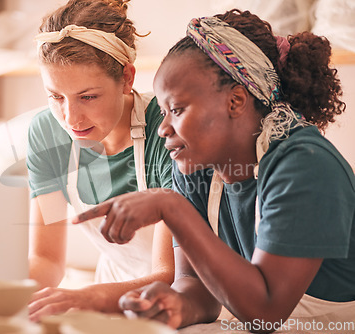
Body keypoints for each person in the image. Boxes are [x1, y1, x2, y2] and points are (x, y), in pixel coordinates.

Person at [74, 9, 355, 332]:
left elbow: (266, 312)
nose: (163, 128)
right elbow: (196, 287)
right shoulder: (196, 167)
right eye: (163, 112)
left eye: (176, 110)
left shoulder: (305, 164)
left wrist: (172, 208)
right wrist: (174, 305)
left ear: (235, 101)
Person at [26, 0, 174, 322]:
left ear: (127, 78)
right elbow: (47, 258)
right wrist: (13, 297)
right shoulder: (47, 135)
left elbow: (167, 275)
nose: (70, 118)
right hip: (108, 289)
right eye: (55, 97)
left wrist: (85, 298)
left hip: (174, 300)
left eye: (88, 97)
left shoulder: (167, 130)